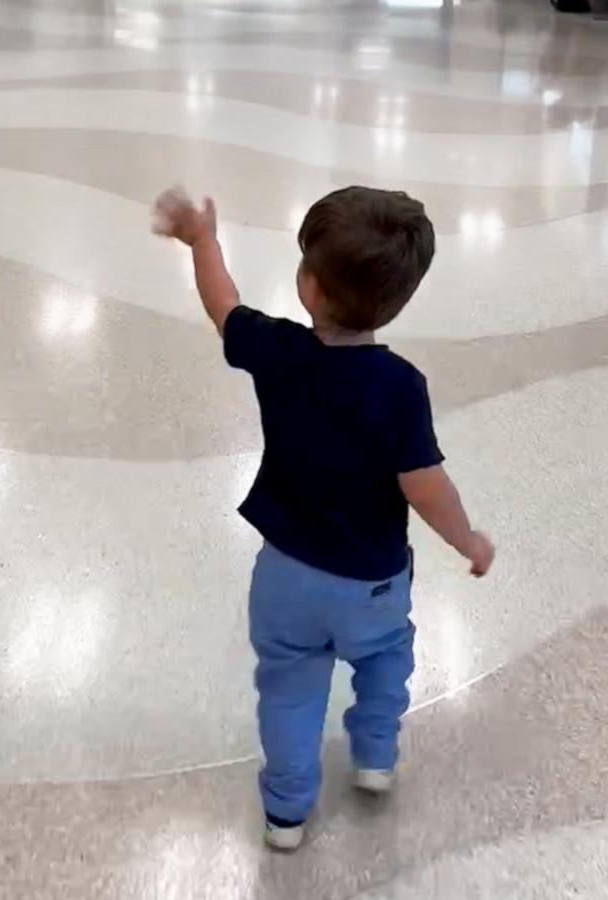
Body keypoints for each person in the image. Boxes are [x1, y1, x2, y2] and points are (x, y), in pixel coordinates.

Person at [152, 185, 495, 851]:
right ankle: (373, 755)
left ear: (307, 286)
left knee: (287, 690)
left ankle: (286, 812)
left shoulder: (278, 350)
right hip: (371, 583)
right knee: (387, 657)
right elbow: (425, 487)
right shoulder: (400, 387)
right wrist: (468, 539)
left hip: (284, 577)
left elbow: (223, 306)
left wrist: (203, 242)